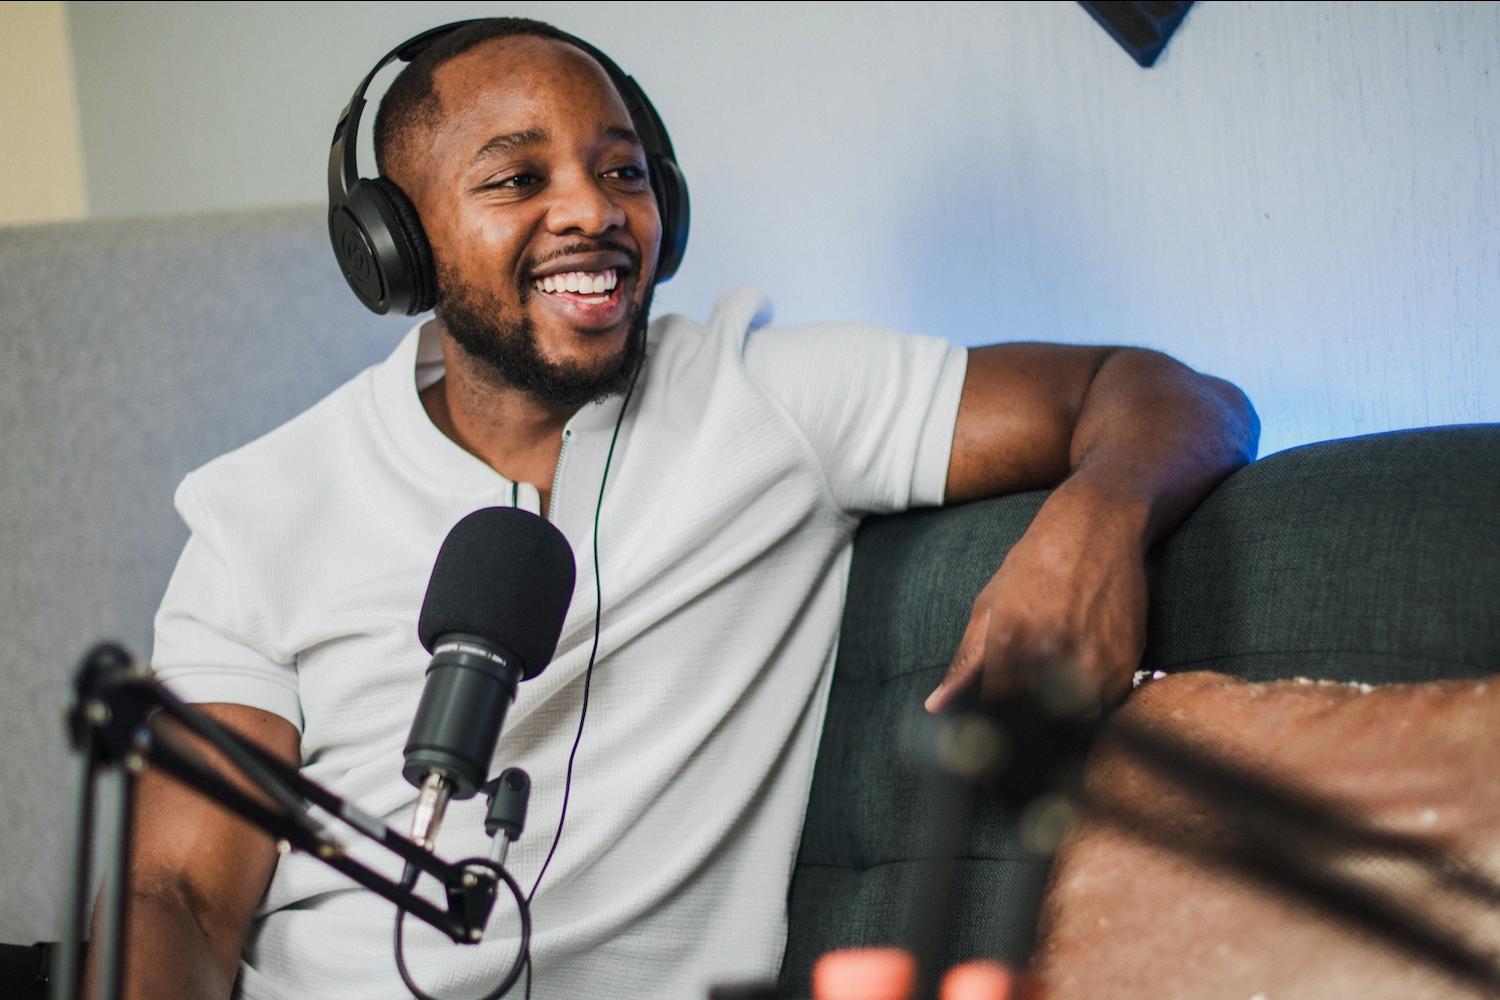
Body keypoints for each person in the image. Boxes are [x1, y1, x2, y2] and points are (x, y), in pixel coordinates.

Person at [85, 17, 1257, 1000]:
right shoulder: (260, 510)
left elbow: (1161, 393)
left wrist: (1096, 520)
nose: (591, 211)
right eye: (515, 178)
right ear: (395, 246)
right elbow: (177, 888)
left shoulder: (769, 401)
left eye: (623, 170)